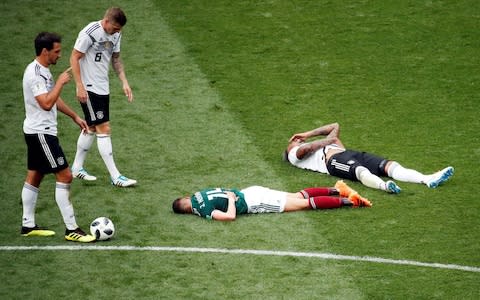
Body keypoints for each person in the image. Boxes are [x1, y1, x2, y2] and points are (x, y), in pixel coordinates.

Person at [21, 32, 95, 242]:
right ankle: (71, 229)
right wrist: (61, 82)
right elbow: (45, 103)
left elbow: (52, 99)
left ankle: (27, 225)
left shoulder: (43, 70)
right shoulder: (35, 73)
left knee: (35, 175)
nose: (60, 55)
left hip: (37, 131)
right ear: (45, 51)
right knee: (65, 176)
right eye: (57, 51)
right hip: (41, 133)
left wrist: (74, 116)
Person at [284, 122, 454, 194]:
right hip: (333, 162)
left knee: (389, 165)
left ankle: (427, 179)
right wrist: (328, 140)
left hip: (351, 153)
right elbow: (308, 147)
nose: (295, 140)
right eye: (292, 141)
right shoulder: (293, 154)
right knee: (360, 171)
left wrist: (307, 133)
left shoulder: (324, 142)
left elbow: (335, 125)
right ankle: (384, 186)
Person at [70, 7, 136, 187]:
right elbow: (74, 57)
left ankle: (76, 168)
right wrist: (79, 85)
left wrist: (124, 81)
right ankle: (115, 176)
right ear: (106, 21)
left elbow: (116, 59)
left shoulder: (116, 35)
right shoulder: (90, 32)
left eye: (119, 29)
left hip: (102, 87)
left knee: (91, 126)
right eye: (115, 28)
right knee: (103, 127)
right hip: (89, 88)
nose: (117, 32)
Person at [172, 181, 371, 221]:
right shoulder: (199, 193)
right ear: (186, 198)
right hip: (252, 190)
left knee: (301, 205)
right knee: (297, 196)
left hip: (253, 202)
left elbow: (230, 216)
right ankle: (338, 189)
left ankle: (351, 201)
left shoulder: (202, 209)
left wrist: (231, 201)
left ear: (187, 210)